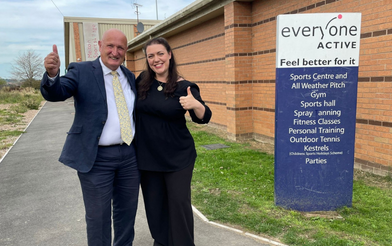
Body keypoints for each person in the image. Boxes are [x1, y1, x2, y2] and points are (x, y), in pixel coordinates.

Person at [41, 29, 139, 246]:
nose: (115, 52)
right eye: (110, 46)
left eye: (120, 47)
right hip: (96, 158)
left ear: (126, 51)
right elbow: (58, 92)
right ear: (99, 45)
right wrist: (52, 75)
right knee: (98, 217)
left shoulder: (129, 76)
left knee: (127, 213)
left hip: (129, 157)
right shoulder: (82, 70)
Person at [136, 37, 212, 246]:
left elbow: (204, 117)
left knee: (178, 204)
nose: (156, 59)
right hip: (147, 157)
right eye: (150, 56)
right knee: (155, 205)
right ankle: (161, 242)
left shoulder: (184, 86)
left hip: (177, 157)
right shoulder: (142, 81)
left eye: (160, 53)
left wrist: (195, 105)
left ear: (169, 54)